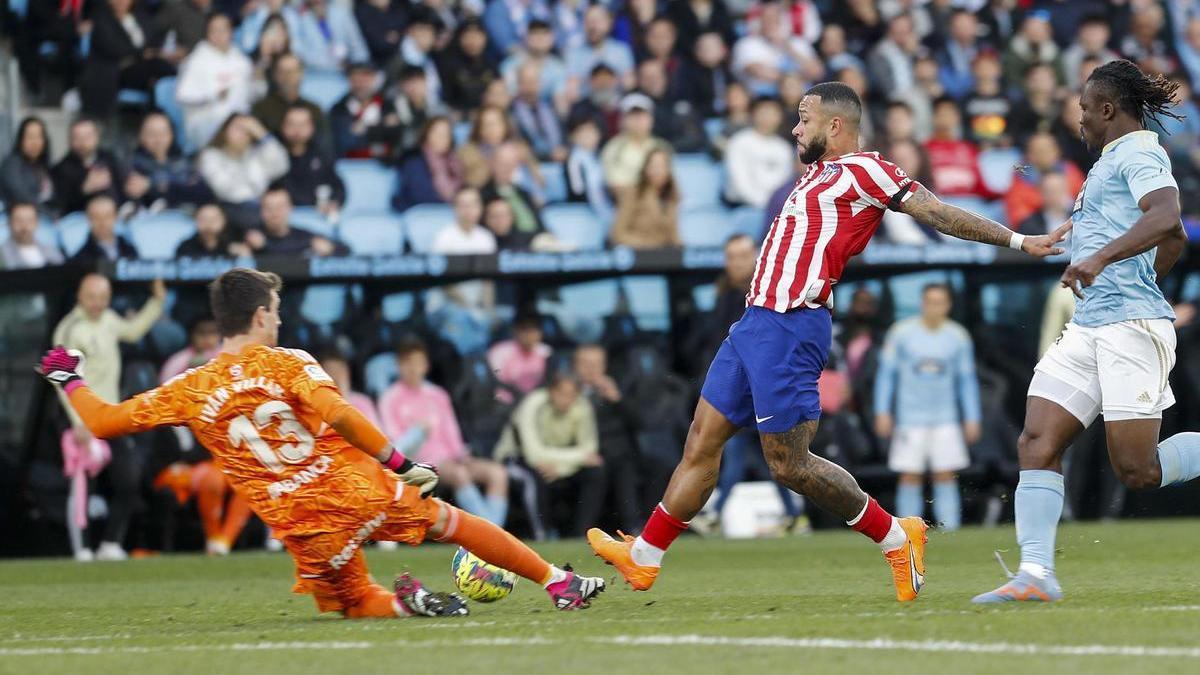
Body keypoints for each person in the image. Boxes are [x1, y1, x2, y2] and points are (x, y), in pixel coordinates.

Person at [587, 81, 1068, 601]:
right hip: (754, 323)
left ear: (835, 125)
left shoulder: (870, 170)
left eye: (803, 118)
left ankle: (894, 536)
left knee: (789, 464)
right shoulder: (816, 174)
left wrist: (1017, 240)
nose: (795, 128)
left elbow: (937, 212)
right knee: (701, 443)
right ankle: (644, 558)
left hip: (792, 325)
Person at [39, 267, 605, 615]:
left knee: (357, 604)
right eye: (277, 312)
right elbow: (338, 413)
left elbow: (104, 421)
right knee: (450, 522)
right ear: (261, 316)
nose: (280, 322)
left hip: (299, 525)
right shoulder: (287, 363)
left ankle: (406, 607)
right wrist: (400, 461)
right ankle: (558, 582)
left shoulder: (190, 385)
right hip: (350, 486)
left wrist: (70, 375)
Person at [972, 60, 1200, 604]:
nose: (1078, 121)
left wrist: (1102, 262)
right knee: (1036, 441)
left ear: (1106, 109)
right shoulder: (1105, 165)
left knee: (1136, 469)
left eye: (1082, 110)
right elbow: (1173, 242)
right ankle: (1035, 575)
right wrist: (1094, 251)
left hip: (1128, 327)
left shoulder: (1141, 150)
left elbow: (1168, 217)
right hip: (1089, 325)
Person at [52, 274, 165, 561]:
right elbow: (59, 377)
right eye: (92, 297)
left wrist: (157, 302)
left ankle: (110, 543)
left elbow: (132, 331)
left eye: (103, 297)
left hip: (110, 415)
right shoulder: (69, 329)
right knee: (82, 486)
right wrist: (78, 421)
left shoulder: (110, 320)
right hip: (80, 418)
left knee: (128, 480)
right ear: (80, 295)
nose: (98, 303)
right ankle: (83, 549)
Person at [873, 284, 980, 532]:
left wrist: (972, 417)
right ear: (922, 303)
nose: (934, 307)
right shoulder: (901, 333)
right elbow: (886, 376)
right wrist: (882, 411)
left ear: (948, 305)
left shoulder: (958, 336)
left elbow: (966, 380)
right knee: (910, 474)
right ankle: (908, 532)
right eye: (929, 301)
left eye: (939, 302)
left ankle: (949, 528)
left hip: (946, 417)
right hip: (910, 417)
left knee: (945, 473)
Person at [379, 338, 509, 525]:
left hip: (450, 460)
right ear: (399, 366)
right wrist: (418, 433)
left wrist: (462, 455)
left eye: (418, 363)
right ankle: (492, 533)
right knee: (459, 474)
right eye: (408, 363)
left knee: (498, 473)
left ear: (426, 365)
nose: (413, 369)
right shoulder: (390, 398)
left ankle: (495, 531)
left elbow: (451, 430)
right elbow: (396, 443)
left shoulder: (438, 395)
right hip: (418, 464)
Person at [494, 372, 604, 539]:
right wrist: (577, 458)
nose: (566, 400)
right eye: (562, 394)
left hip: (558, 464)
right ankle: (541, 534)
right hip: (516, 458)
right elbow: (533, 453)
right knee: (534, 476)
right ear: (551, 391)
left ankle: (582, 534)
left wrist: (560, 469)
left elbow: (590, 448)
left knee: (596, 472)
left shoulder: (582, 405)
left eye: (571, 395)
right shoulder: (533, 404)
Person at [573, 344, 643, 533]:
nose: (592, 370)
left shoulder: (615, 390)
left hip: (618, 453)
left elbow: (640, 422)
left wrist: (617, 399)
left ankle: (633, 527)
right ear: (575, 366)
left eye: (597, 364)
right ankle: (583, 531)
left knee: (626, 462)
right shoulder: (568, 393)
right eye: (586, 364)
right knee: (600, 468)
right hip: (581, 452)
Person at [78, 0, 174, 120]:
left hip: (141, 66)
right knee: (157, 66)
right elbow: (112, 48)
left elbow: (153, 39)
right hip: (115, 70)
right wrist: (142, 53)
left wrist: (150, 52)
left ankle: (158, 115)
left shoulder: (139, 17)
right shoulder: (102, 19)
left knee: (160, 69)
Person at [197, 114, 290, 232]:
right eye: (238, 128)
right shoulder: (211, 156)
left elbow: (281, 167)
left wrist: (263, 135)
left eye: (247, 130)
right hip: (229, 212)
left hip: (260, 212)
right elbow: (225, 189)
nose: (243, 133)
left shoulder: (257, 153)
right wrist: (255, 195)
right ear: (225, 131)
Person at [175, 13, 254, 151]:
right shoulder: (196, 59)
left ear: (231, 32)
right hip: (204, 121)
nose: (219, 34)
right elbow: (182, 96)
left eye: (223, 30)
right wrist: (212, 95)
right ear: (207, 33)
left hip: (237, 121)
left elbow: (250, 95)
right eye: (214, 30)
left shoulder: (241, 60)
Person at [124, 111, 214, 211]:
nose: (159, 139)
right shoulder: (132, 166)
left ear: (171, 135)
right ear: (140, 136)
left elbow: (203, 193)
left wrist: (152, 185)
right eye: (151, 134)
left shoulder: (183, 163)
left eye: (163, 132)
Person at [278, 105, 345, 219]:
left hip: (319, 214)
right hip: (284, 217)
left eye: (302, 124)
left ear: (312, 127)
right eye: (292, 124)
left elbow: (338, 187)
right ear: (283, 127)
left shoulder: (321, 156)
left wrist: (333, 203)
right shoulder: (274, 157)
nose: (297, 129)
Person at [724, 96, 792, 208]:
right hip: (743, 206)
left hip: (775, 207)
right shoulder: (739, 141)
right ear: (753, 114)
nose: (768, 118)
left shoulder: (784, 147)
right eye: (764, 112)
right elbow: (740, 184)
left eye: (773, 113)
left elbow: (784, 182)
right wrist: (766, 205)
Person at [251, 53, 330, 148]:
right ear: (275, 75)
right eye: (282, 71)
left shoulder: (314, 109)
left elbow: (325, 146)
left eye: (292, 71)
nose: (288, 76)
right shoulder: (261, 108)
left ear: (301, 74)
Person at [599, 94, 671, 194]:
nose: (638, 119)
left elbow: (669, 184)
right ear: (622, 120)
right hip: (629, 203)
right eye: (632, 115)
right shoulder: (613, 148)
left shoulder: (662, 146)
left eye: (642, 114)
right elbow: (615, 185)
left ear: (651, 119)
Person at [610, 148, 680, 249]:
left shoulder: (672, 197)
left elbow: (674, 235)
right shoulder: (633, 194)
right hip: (638, 254)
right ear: (645, 169)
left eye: (662, 166)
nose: (658, 171)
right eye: (654, 166)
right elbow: (618, 233)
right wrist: (645, 245)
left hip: (664, 256)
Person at [51, 118, 123, 216]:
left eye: (87, 136)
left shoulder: (110, 159)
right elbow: (59, 205)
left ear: (97, 137)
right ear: (69, 140)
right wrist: (84, 190)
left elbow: (124, 188)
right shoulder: (60, 169)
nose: (82, 142)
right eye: (77, 137)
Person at [329, 62, 401, 160]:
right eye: (356, 78)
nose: (361, 83)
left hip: (383, 168)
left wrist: (365, 128)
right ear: (349, 80)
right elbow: (345, 145)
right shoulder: (338, 109)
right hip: (349, 167)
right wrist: (382, 126)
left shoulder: (387, 106)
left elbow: (395, 141)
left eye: (365, 77)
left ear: (374, 79)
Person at [393, 117, 464, 212]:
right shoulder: (415, 161)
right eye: (438, 133)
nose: (442, 138)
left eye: (447, 134)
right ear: (426, 135)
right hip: (420, 215)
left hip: (449, 213)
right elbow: (421, 196)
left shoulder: (455, 162)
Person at [244, 188, 339, 258]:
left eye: (279, 207)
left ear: (290, 208)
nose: (274, 213)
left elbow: (346, 250)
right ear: (260, 211)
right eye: (268, 208)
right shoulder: (250, 237)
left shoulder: (303, 236)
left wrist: (330, 249)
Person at [291, 0, 369, 74]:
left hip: (345, 75)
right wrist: (333, 63)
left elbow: (360, 50)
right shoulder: (296, 16)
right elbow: (297, 52)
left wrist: (354, 66)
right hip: (311, 75)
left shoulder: (342, 14)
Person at [0, 117, 55, 213]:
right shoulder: (11, 164)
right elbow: (21, 196)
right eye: (30, 137)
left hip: (43, 219)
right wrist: (49, 213)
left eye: (39, 136)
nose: (35, 142)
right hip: (18, 220)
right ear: (21, 139)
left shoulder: (43, 165)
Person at [488, 315, 552, 395]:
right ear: (515, 331)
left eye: (534, 330)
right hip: (507, 401)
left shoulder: (546, 352)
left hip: (534, 400)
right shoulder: (500, 351)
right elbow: (494, 379)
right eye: (525, 330)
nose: (530, 335)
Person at [564, 117, 612, 221]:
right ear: (573, 137)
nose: (589, 136)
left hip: (607, 207)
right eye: (583, 132)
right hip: (586, 212)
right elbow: (578, 191)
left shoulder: (600, 156)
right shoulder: (574, 160)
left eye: (592, 131)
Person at [69, 196, 140, 265]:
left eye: (107, 216)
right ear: (88, 220)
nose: (102, 222)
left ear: (115, 217)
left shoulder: (130, 249)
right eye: (96, 217)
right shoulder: (79, 260)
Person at [175, 203, 253, 259]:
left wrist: (244, 258)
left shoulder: (234, 245)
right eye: (203, 219)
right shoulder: (185, 248)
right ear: (196, 221)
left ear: (223, 222)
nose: (208, 225)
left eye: (213, 220)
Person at [433, 187, 496, 254]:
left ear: (481, 207)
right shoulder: (444, 237)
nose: (468, 209)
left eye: (473, 204)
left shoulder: (486, 237)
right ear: (455, 208)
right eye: (463, 205)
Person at [1, 202, 63, 269]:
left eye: (29, 220)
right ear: (9, 223)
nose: (25, 226)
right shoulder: (2, 254)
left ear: (36, 223)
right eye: (19, 221)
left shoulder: (52, 251)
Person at [1017, 171, 1073, 236]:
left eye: (1060, 190)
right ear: (1041, 193)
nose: (1056, 195)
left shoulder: (1080, 220)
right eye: (1051, 191)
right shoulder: (1029, 226)